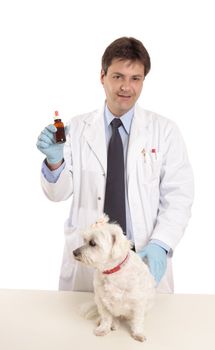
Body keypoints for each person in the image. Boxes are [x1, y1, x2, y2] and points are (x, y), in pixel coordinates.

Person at [37, 37, 194, 293]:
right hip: (89, 263)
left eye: (136, 78)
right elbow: (57, 194)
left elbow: (179, 197)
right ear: (102, 76)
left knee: (143, 328)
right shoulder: (77, 129)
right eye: (118, 76)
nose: (126, 87)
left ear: (144, 80)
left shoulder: (164, 132)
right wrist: (55, 163)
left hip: (141, 258)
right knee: (83, 327)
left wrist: (160, 244)